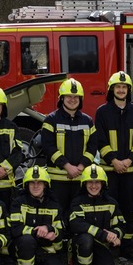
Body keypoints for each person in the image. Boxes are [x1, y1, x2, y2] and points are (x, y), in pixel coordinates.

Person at [94, 71, 133, 259]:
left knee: (129, 208)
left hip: (130, 171)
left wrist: (128, 161)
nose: (121, 90)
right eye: (118, 87)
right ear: (112, 89)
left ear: (128, 90)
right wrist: (114, 161)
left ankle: (128, 247)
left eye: (124, 87)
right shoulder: (102, 112)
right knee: (109, 208)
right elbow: (100, 140)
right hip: (109, 171)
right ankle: (110, 245)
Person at [42, 78, 97, 216]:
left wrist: (81, 166)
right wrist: (67, 166)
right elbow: (48, 146)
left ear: (80, 99)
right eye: (68, 96)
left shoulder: (88, 121)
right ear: (61, 98)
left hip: (80, 177)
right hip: (57, 179)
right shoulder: (51, 119)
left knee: (78, 213)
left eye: (75, 97)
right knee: (58, 213)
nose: (72, 100)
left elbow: (92, 146)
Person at [9, 166, 68, 265]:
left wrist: (52, 231)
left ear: (45, 185)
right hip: (24, 249)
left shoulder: (54, 205)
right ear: (27, 185)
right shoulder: (18, 202)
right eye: (32, 183)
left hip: (46, 251)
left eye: (39, 182)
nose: (35, 186)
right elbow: (15, 229)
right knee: (26, 240)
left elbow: (61, 232)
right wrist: (37, 231)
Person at [68, 165, 125, 265]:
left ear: (103, 183)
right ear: (84, 183)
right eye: (90, 182)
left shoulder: (111, 202)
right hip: (81, 244)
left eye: (97, 182)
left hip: (101, 245)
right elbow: (76, 224)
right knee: (86, 239)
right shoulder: (77, 202)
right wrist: (103, 234)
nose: (94, 186)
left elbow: (121, 225)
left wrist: (115, 234)